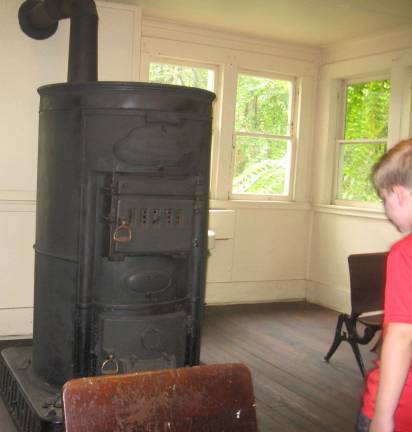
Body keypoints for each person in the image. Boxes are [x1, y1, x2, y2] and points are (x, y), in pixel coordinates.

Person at [357, 139, 412, 432]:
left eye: (384, 199)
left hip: (402, 410)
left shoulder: (405, 254)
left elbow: (403, 338)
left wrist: (382, 417)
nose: (385, 209)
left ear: (399, 194)